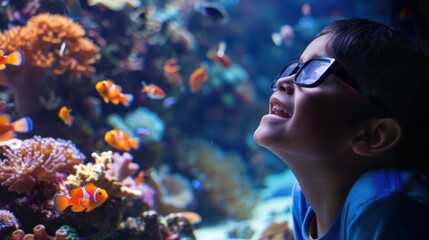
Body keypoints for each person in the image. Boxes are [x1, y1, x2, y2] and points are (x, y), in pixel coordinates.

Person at [253, 18, 429, 240]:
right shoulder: (305, 200)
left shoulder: (384, 203)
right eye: (296, 67)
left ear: (371, 135)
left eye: (314, 71)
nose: (283, 81)